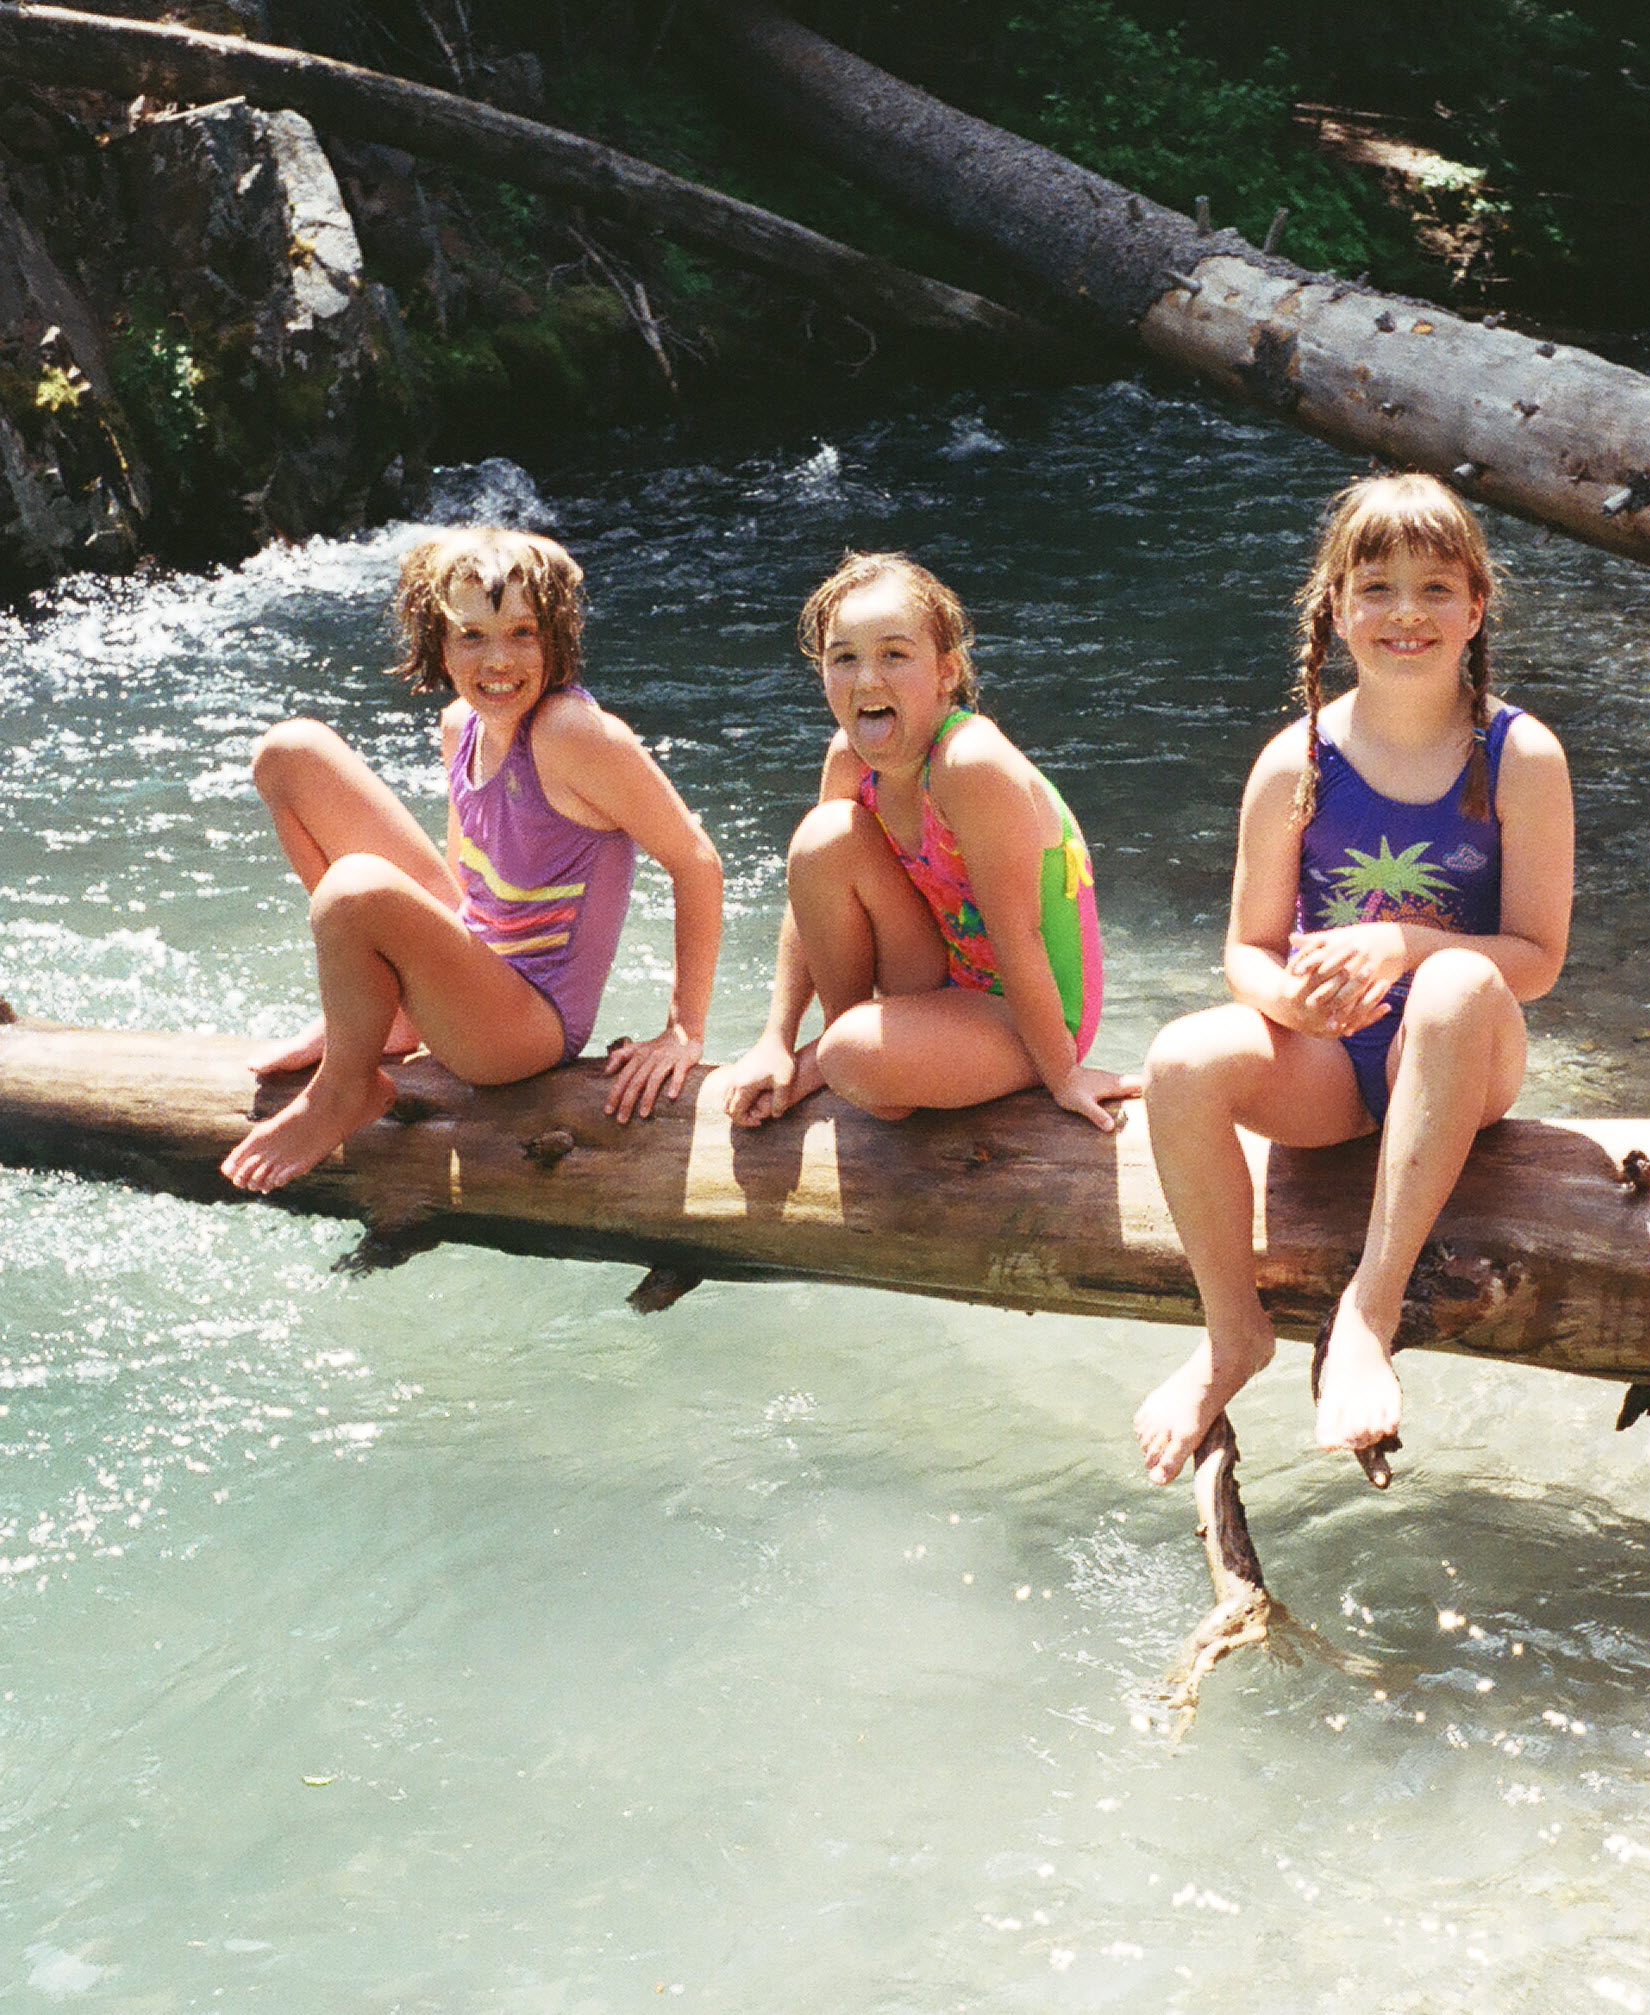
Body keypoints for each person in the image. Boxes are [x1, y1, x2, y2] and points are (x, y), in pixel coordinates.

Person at [1132, 472, 1575, 1485]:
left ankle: (1367, 1314)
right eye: (1377, 587)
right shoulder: (1296, 761)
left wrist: (1405, 944)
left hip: (1467, 1057)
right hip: (1331, 1064)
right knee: (1181, 1056)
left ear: (1475, 607)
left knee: (1459, 984)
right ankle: (1230, 1331)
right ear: (1337, 607)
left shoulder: (1520, 756)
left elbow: (1538, 960)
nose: (1405, 613)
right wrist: (1289, 999)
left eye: (1434, 588)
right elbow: (1247, 948)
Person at [225, 527, 723, 1193]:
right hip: (480, 963)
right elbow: (471, 881)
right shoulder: (462, 725)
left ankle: (344, 1089)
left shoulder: (574, 734)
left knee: (353, 890)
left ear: (558, 638)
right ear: (436, 640)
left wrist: (683, 1030)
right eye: (472, 636)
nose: (500, 659)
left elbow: (697, 860)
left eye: (524, 633)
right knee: (290, 753)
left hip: (529, 1025)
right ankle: (384, 1010)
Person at [707, 553, 1134, 1132]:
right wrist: (774, 1038)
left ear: (947, 671)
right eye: (845, 659)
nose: (866, 679)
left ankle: (836, 1059)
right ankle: (829, 1052)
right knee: (822, 838)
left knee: (851, 1055)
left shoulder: (970, 764)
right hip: (939, 978)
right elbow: (812, 895)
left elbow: (1019, 935)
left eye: (894, 655)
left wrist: (1063, 1075)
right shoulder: (849, 757)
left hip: (1025, 1013)